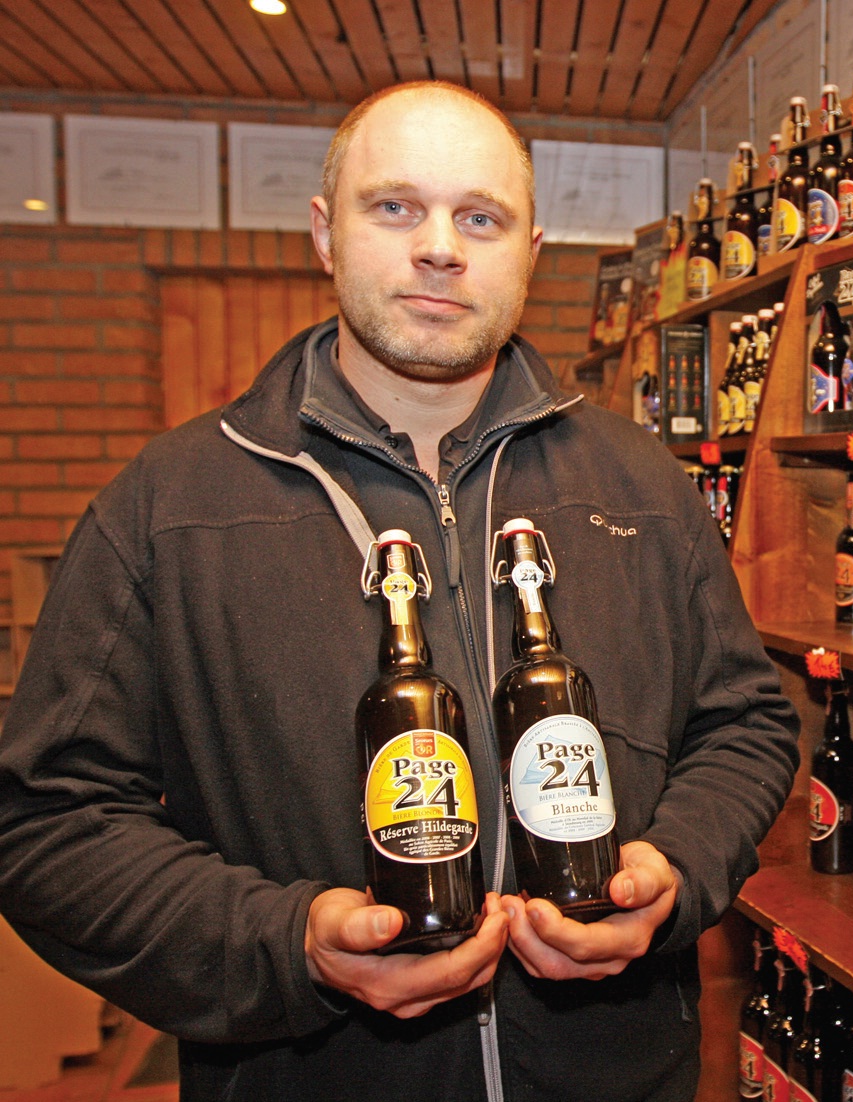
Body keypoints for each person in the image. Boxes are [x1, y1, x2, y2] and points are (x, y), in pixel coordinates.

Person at [0, 81, 800, 1101]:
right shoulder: (169, 506)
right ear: (324, 233)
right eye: (395, 207)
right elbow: (49, 825)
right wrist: (289, 943)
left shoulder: (642, 487)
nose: (439, 246)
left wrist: (677, 873)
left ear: (531, 247)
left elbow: (744, 725)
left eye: (480, 216)